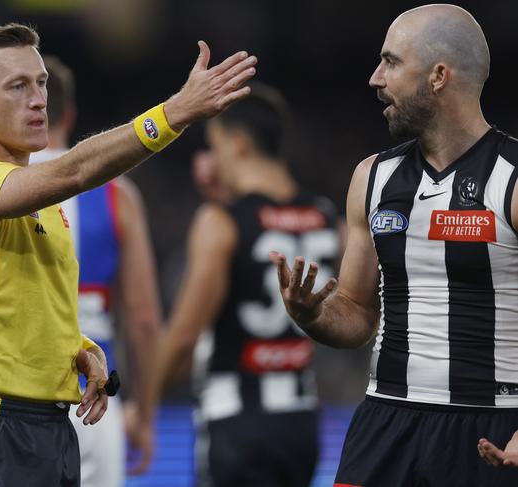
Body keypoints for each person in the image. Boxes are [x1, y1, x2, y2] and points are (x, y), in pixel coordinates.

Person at [0, 22, 256, 486]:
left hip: (54, 423)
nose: (39, 98)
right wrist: (174, 113)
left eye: (40, 83)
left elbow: (20, 300)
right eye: (17, 86)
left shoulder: (49, 209)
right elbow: (74, 171)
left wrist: (80, 350)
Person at [269, 5, 518, 487]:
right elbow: (357, 314)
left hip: (492, 428)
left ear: (439, 76)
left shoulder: (511, 180)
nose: (375, 78)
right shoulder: (372, 178)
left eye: (391, 62)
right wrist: (313, 315)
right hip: (386, 422)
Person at [156, 84, 341, 486]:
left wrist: (142, 402)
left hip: (233, 419)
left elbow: (184, 337)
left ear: (237, 144)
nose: (211, 159)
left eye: (215, 145)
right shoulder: (327, 218)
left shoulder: (219, 223)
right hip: (301, 421)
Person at [30, 55, 162, 484]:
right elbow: (143, 318)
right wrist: (144, 411)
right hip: (94, 402)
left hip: (10, 401)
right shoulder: (117, 196)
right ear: (69, 115)